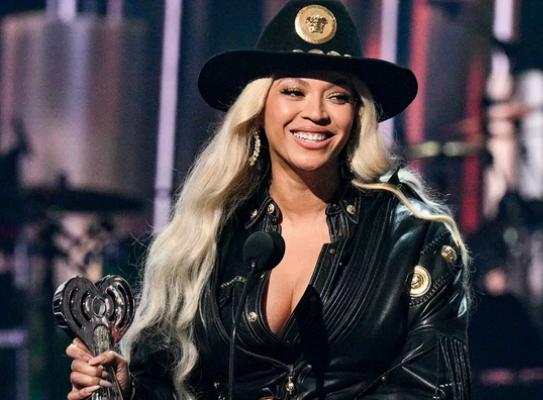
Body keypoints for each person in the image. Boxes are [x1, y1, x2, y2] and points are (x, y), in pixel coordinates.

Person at [65, 1, 471, 399]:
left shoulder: (415, 239)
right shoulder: (207, 230)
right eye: (293, 91)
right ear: (259, 108)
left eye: (338, 96)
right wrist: (129, 389)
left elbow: (434, 390)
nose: (315, 112)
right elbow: (168, 379)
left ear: (358, 115)